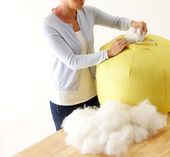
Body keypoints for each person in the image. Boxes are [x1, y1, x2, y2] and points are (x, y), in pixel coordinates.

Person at [43, 0, 148, 131]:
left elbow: (116, 22)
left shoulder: (88, 12)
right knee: (70, 150)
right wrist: (108, 53)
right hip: (66, 102)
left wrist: (133, 24)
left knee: (98, 142)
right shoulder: (49, 25)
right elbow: (72, 61)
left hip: (93, 93)